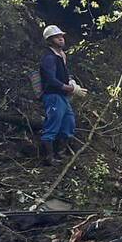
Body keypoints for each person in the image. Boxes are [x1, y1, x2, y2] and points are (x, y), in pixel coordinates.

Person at [39, 24, 77, 165]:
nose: (61, 39)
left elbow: (63, 75)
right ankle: (48, 158)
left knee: (69, 123)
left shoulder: (61, 56)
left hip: (62, 96)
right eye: (56, 37)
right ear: (49, 40)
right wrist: (69, 88)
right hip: (53, 96)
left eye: (61, 36)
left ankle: (60, 153)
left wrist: (71, 82)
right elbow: (51, 79)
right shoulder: (49, 58)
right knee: (52, 126)